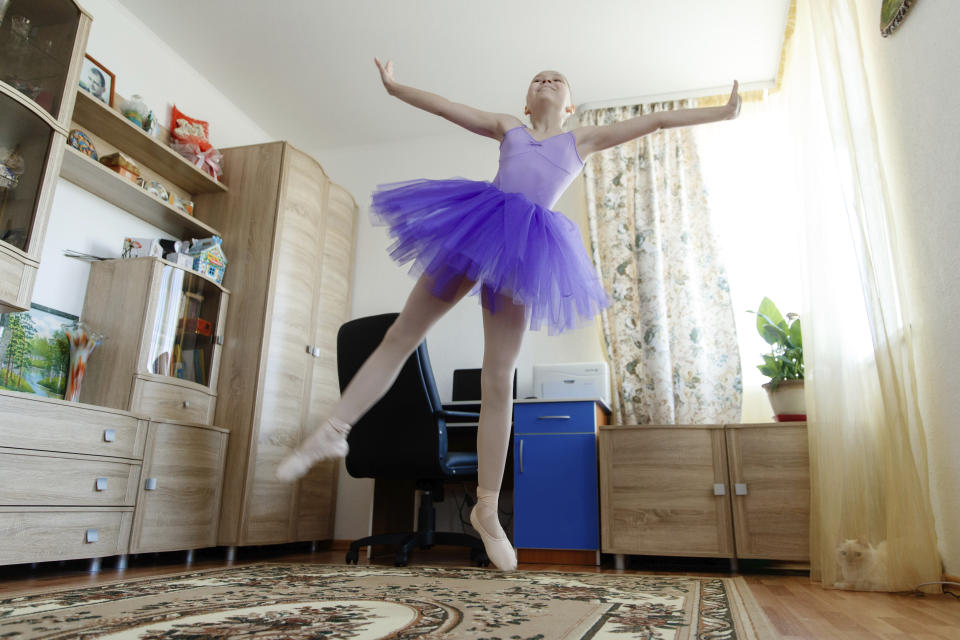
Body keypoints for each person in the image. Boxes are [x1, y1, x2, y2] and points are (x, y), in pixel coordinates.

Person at [277, 60, 741, 571]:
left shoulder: (581, 141)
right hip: (476, 224)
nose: (546, 81)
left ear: (569, 106)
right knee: (400, 336)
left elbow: (652, 123)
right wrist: (394, 88)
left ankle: (486, 507)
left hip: (527, 252)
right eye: (538, 79)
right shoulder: (508, 128)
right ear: (526, 102)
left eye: (557, 80)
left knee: (499, 379)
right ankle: (334, 429)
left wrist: (721, 112)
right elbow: (449, 108)